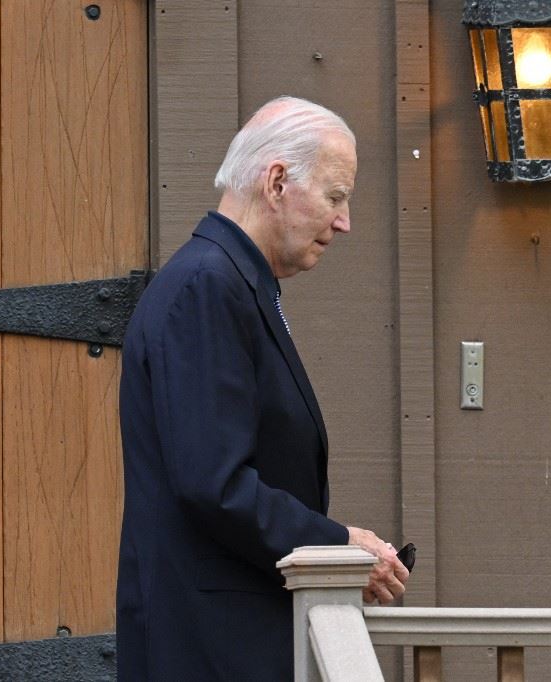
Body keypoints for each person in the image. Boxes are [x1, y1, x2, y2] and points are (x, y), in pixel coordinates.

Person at [116, 96, 408, 680]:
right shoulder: (208, 286)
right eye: (335, 196)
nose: (344, 221)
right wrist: (335, 545)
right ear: (276, 183)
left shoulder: (230, 282)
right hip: (210, 650)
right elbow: (214, 484)